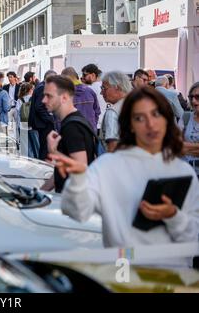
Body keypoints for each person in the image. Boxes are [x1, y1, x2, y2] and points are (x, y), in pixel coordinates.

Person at [50, 86, 199, 256]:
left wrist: (173, 215)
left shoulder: (183, 170)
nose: (150, 124)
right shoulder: (107, 166)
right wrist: (78, 178)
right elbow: (76, 211)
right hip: (124, 271)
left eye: (156, 114)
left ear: (166, 118)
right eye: (139, 118)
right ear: (131, 125)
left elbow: (193, 235)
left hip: (173, 275)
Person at [43, 75, 97, 193]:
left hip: (74, 202)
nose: (44, 100)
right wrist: (41, 192)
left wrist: (54, 152)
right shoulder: (72, 122)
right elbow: (61, 172)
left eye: (49, 96)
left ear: (64, 97)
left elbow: (80, 168)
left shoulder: (72, 127)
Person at [99, 71, 133, 152]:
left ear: (117, 87)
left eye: (104, 88)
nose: (101, 92)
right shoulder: (135, 104)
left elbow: (113, 146)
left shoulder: (113, 112)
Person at [28, 70, 57, 160]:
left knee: (44, 148)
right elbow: (39, 107)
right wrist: (50, 119)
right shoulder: (42, 87)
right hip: (43, 124)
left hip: (42, 122)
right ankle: (43, 167)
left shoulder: (41, 86)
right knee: (45, 149)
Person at [178, 82, 199, 178]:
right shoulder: (186, 117)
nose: (194, 101)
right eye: (191, 97)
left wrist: (185, 148)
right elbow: (175, 145)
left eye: (198, 97)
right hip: (185, 172)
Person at [82, 64, 107, 133]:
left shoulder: (90, 89)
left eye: (85, 75)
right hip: (106, 123)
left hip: (96, 125)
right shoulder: (106, 86)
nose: (83, 78)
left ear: (93, 75)